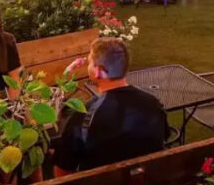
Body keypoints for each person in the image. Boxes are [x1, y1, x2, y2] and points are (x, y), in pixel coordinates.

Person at [53, 38, 166, 175]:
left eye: (90, 63)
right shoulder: (153, 103)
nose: (88, 67)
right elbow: (163, 139)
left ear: (98, 71)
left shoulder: (84, 115)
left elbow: (62, 170)